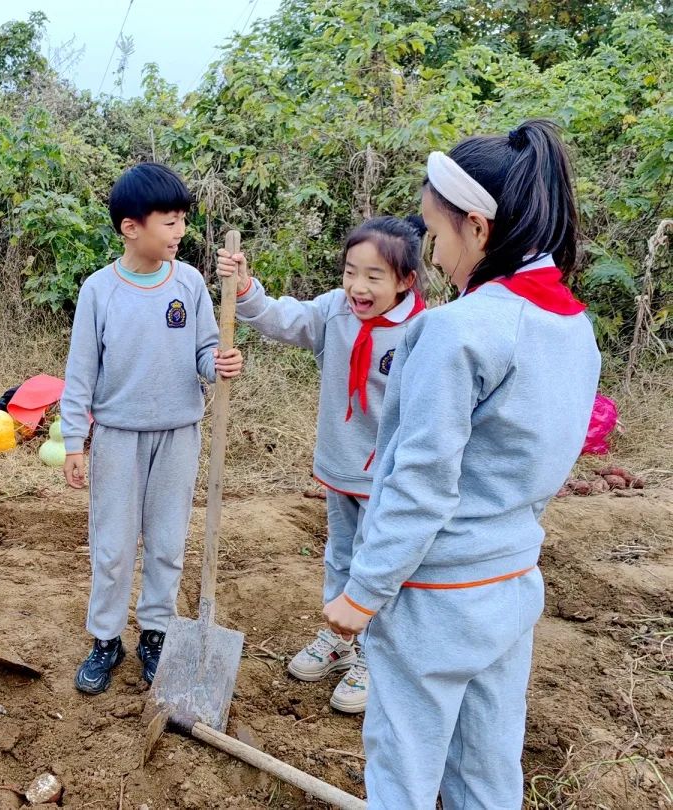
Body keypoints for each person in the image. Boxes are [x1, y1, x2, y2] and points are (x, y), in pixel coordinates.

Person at [322, 120, 601, 807]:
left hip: (432, 602)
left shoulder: (457, 331)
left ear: (477, 228)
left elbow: (418, 482)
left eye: (436, 234)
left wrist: (363, 592)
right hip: (509, 585)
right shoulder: (571, 323)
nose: (435, 254)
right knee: (486, 769)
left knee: (404, 776)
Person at [218, 215, 426, 714]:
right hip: (339, 466)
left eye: (374, 277)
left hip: (388, 479)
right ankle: (339, 639)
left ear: (405, 281)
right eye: (350, 271)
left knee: (380, 565)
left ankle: (377, 654)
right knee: (340, 555)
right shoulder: (335, 312)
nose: (357, 286)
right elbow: (280, 318)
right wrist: (246, 287)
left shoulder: (422, 332)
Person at [60, 162, 243, 694]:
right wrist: (75, 441)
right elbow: (80, 371)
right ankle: (106, 639)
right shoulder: (100, 290)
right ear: (131, 227)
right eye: (169, 221)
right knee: (113, 547)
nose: (180, 232)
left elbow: (206, 348)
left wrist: (218, 365)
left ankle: (156, 632)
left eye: (183, 219)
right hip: (117, 436)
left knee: (166, 543)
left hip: (179, 433)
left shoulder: (187, 284)